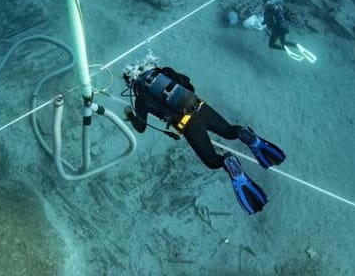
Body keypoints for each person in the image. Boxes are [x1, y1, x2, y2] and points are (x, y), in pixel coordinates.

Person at [122, 62, 286, 215]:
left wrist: (130, 113)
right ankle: (244, 133)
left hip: (189, 126)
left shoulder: (141, 98)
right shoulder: (164, 72)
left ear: (131, 84)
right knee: (229, 131)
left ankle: (227, 163)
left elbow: (141, 128)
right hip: (201, 108)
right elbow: (188, 84)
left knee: (211, 161)